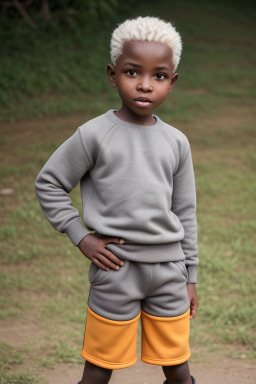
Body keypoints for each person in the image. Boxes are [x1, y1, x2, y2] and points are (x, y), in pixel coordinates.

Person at [35, 16, 199, 384]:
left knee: (179, 371)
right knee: (97, 371)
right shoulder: (93, 135)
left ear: (171, 83)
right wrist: (82, 235)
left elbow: (185, 212)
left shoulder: (176, 142)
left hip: (170, 272)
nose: (144, 84)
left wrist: (190, 277)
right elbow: (49, 183)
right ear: (113, 74)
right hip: (116, 270)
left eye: (158, 75)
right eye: (131, 72)